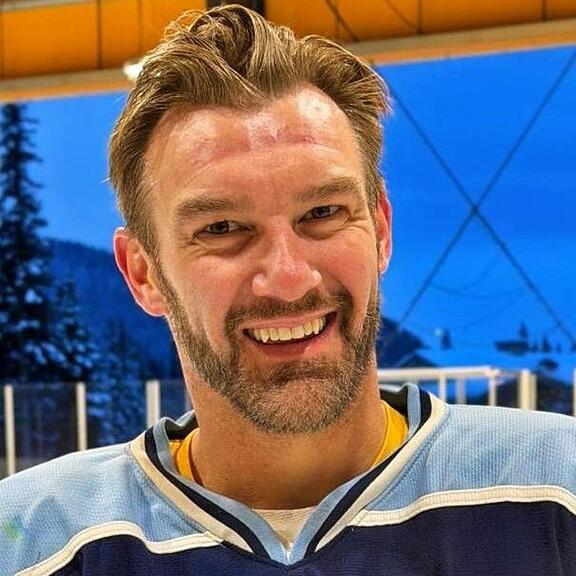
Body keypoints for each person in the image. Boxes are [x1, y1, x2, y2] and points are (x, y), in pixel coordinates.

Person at [1, 5, 575, 575]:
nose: (288, 277)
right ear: (143, 273)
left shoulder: (556, 491)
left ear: (380, 231)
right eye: (222, 228)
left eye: (323, 213)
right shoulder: (33, 542)